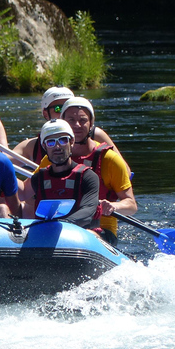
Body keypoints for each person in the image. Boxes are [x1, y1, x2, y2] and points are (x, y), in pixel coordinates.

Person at [54, 97, 138, 245]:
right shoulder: (53, 157)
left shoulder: (110, 159)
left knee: (79, 236)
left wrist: (114, 206)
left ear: (91, 124)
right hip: (60, 228)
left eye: (83, 120)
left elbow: (131, 205)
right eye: (71, 120)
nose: (77, 125)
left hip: (101, 230)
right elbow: (26, 194)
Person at [22, 119, 110, 229]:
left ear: (71, 142)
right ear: (44, 147)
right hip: (46, 235)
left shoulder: (88, 177)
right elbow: (19, 194)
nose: (57, 147)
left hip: (83, 234)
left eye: (63, 140)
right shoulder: (38, 179)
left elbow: (88, 210)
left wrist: (62, 223)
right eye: (51, 142)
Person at [12, 86, 128, 167]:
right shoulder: (33, 146)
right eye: (58, 108)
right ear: (45, 113)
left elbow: (125, 172)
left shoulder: (96, 135)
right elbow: (0, 164)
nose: (67, 112)